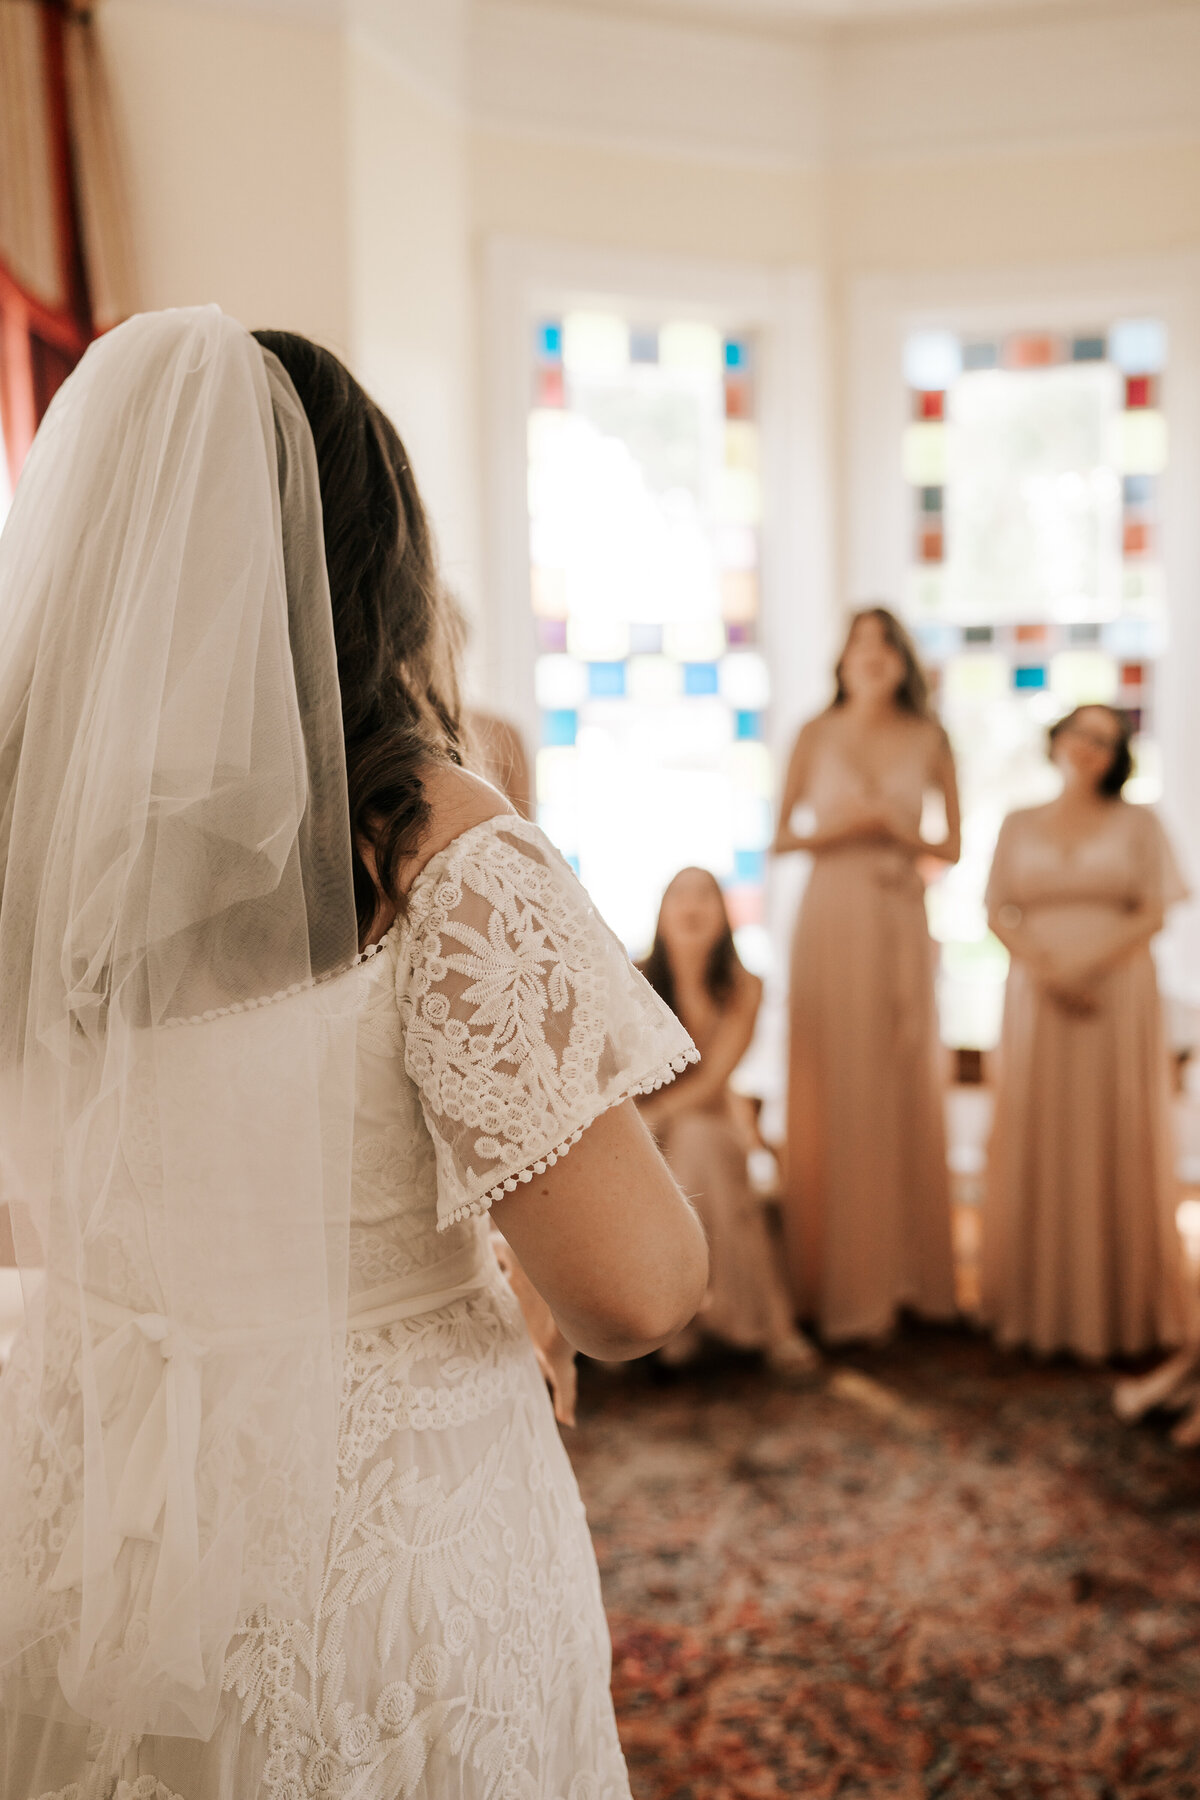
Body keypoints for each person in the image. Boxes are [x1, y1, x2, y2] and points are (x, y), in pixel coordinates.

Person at [0, 308, 708, 1800]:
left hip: (95, 1510)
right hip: (372, 1550)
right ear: (375, 559)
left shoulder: (37, 847)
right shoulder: (436, 849)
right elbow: (639, 1287)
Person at [982, 704, 1193, 1362]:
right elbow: (996, 910)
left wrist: (1087, 967)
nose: (1089, 748)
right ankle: (1036, 1310)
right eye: (1080, 732)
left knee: (1111, 1128)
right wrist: (1048, 970)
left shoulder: (1141, 822)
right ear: (1057, 740)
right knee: (1042, 1127)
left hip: (1117, 998)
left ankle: (1120, 1314)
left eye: (1104, 740)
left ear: (1118, 755)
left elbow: (1155, 910)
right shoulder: (1018, 822)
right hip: (1037, 999)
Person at [772, 606, 960, 1343]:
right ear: (843, 659)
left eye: (886, 644)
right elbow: (782, 836)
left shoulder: (930, 735)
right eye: (861, 644)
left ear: (902, 659)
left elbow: (954, 846)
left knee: (900, 1076)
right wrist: (839, 831)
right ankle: (833, 1283)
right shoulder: (813, 734)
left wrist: (896, 830)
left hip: (899, 912)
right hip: (832, 912)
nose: (873, 655)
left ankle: (911, 1279)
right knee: (838, 1082)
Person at [637, 869, 818, 1376]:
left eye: (706, 896)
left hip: (708, 1126)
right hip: (645, 1131)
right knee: (687, 1146)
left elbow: (716, 1079)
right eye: (679, 895)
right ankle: (724, 1321)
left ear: (724, 915)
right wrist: (642, 1124)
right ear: (662, 911)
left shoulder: (746, 986)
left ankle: (687, 1321)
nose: (692, 906)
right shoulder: (632, 977)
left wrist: (658, 1116)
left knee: (699, 1142)